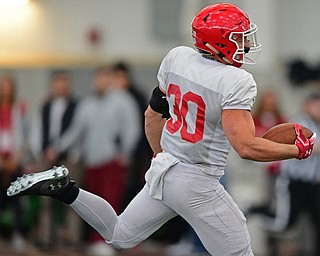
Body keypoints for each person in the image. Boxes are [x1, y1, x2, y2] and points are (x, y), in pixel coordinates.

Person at [6, 3, 316, 256]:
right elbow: (246, 147)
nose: (246, 44)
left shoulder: (176, 58)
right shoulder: (237, 81)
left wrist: (159, 156)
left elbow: (152, 116)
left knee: (119, 235)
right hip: (198, 181)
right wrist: (298, 150)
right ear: (219, 42)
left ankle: (65, 189)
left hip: (167, 170)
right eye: (239, 38)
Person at [40, 65, 141, 256]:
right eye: (98, 78)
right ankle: (97, 241)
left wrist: (125, 153)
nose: (101, 82)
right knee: (93, 203)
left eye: (105, 78)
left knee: (111, 201)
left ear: (110, 79)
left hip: (112, 160)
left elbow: (132, 127)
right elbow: (76, 131)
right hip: (91, 161)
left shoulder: (122, 101)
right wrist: (57, 147)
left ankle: (109, 242)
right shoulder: (87, 104)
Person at [245, 92, 320, 256]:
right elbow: (309, 146)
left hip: (313, 184)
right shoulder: (299, 123)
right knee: (284, 223)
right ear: (307, 106)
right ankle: (255, 212)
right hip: (293, 182)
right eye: (315, 105)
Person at [29, 70, 81, 248]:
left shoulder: (77, 106)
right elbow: (37, 130)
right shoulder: (46, 106)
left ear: (69, 85)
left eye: (63, 83)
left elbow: (75, 131)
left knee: (71, 200)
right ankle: (47, 239)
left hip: (68, 158)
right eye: (57, 83)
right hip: (46, 158)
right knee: (46, 201)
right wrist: (41, 153)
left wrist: (57, 149)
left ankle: (73, 240)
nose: (60, 87)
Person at [0, 73, 29, 252]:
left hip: (16, 160)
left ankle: (18, 233)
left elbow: (26, 136)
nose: (5, 88)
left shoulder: (20, 108)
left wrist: (16, 158)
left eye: (8, 85)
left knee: (17, 199)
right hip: (1, 162)